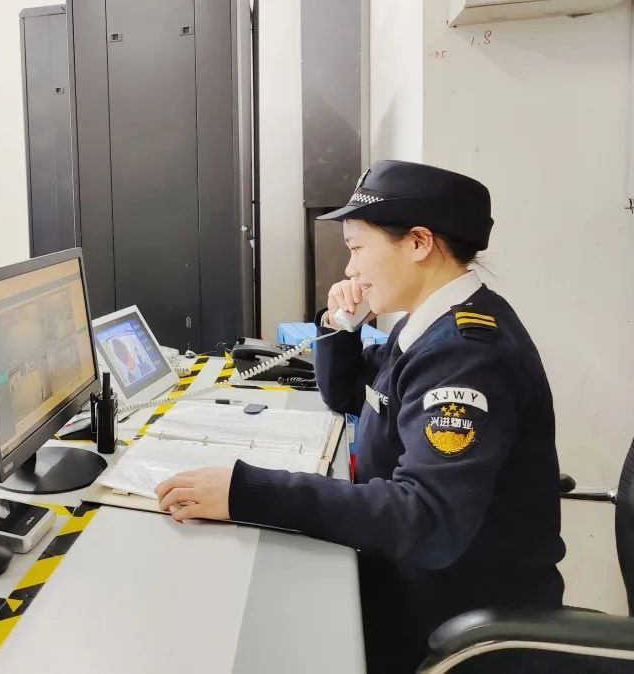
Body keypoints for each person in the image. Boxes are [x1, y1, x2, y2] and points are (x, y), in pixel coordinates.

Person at [154, 160, 564, 673]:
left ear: (418, 243)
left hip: (455, 619)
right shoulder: (424, 326)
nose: (350, 270)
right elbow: (350, 395)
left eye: (356, 249)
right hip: (406, 574)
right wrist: (340, 325)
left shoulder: (466, 353)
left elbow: (426, 518)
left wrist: (248, 492)